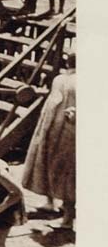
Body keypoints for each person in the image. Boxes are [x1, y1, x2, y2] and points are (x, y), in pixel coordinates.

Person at [22, 58, 76, 228]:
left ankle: (61, 212)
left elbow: (53, 103)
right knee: (68, 172)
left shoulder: (61, 80)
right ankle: (63, 212)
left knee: (55, 166)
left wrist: (44, 129)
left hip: (56, 128)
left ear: (67, 63)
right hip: (71, 129)